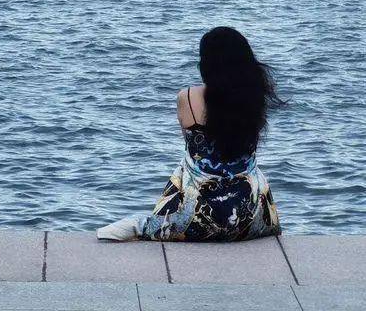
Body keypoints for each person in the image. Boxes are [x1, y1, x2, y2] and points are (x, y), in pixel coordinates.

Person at [98, 26, 282, 242]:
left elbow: (189, 143)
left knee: (142, 219)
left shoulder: (188, 96)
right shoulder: (255, 98)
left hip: (199, 216)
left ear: (207, 63)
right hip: (249, 216)